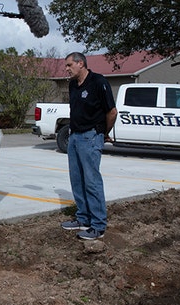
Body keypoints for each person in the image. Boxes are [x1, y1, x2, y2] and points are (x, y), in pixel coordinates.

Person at [60, 52, 117, 240]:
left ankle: (98, 225)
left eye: (69, 65)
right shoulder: (72, 85)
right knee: (77, 180)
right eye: (66, 66)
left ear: (81, 63)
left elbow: (112, 112)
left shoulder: (98, 82)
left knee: (92, 181)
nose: (66, 69)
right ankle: (83, 218)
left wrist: (102, 133)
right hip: (74, 137)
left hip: (90, 136)